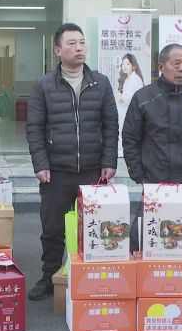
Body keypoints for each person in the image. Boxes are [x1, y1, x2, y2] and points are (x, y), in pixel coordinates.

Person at [25, 22, 119, 301]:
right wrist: (41, 164)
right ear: (58, 50)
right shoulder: (44, 85)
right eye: (72, 43)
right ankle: (50, 276)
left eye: (82, 42)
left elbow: (111, 125)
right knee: (52, 228)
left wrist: (109, 160)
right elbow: (34, 128)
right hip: (56, 172)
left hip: (93, 170)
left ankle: (94, 276)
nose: (79, 48)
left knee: (96, 226)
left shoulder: (100, 83)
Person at [122, 44, 182, 251]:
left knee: (177, 240)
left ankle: (171, 272)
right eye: (176, 64)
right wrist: (139, 174)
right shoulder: (144, 97)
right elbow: (130, 138)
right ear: (161, 66)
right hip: (155, 180)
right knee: (141, 238)